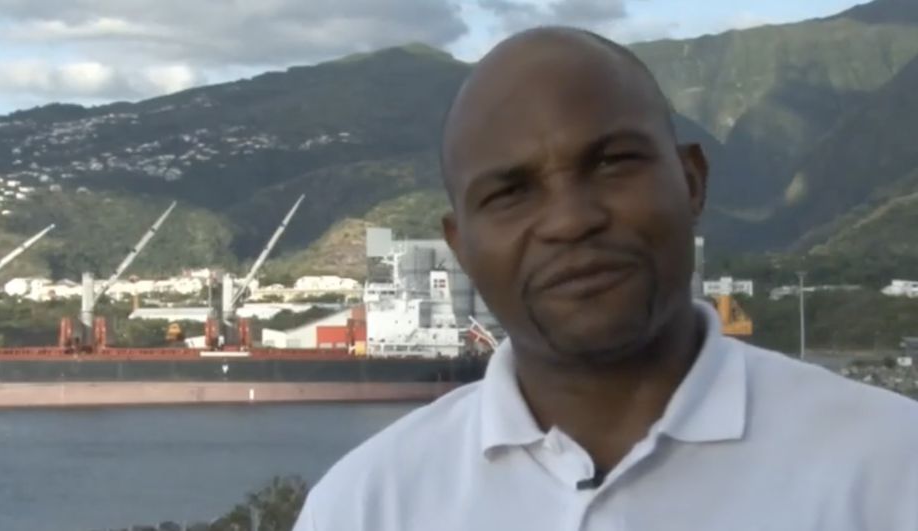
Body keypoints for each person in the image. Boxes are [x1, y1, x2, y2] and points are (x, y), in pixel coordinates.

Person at [292, 27, 918, 530]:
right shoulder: (363, 508)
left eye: (613, 162)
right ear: (460, 247)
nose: (570, 220)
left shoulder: (893, 470)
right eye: (510, 193)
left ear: (692, 182)